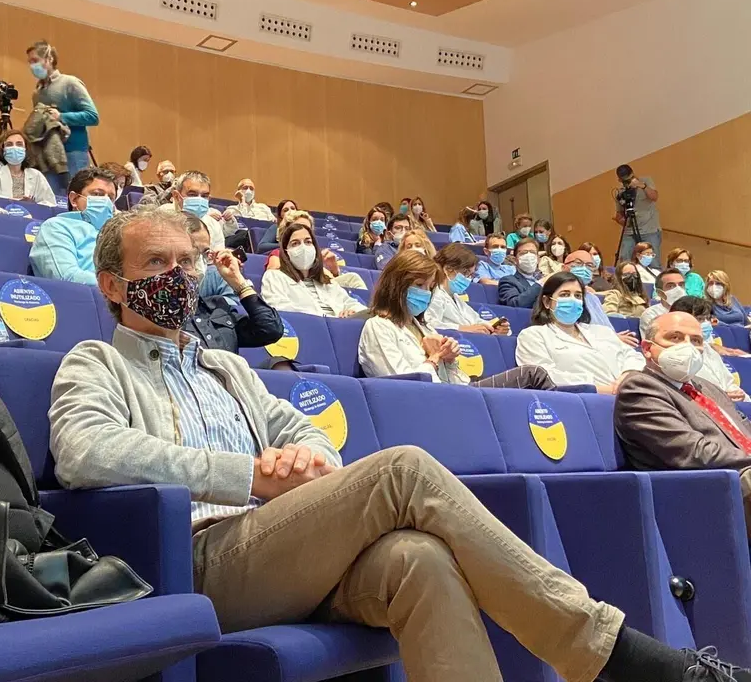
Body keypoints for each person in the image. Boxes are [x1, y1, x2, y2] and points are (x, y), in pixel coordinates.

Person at [48, 205, 746, 682]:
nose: (178, 275)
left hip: (282, 545)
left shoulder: (225, 365)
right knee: (405, 470)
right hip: (196, 559)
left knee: (419, 558)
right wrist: (246, 473)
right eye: (155, 263)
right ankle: (614, 654)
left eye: (186, 261)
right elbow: (86, 451)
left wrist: (310, 458)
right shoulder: (94, 361)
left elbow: (299, 430)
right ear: (112, 284)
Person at [614, 311, 751, 539]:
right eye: (675, 338)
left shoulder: (707, 388)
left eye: (696, 340)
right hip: (697, 491)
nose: (687, 347)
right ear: (647, 348)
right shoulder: (640, 388)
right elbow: (693, 452)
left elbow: (744, 430)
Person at [359, 251, 569, 390]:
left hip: (458, 392)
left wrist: (449, 360)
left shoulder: (423, 327)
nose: (425, 293)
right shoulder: (378, 327)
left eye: (429, 287)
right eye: (419, 285)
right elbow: (401, 385)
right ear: (396, 286)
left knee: (534, 376)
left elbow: (457, 380)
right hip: (429, 402)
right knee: (531, 374)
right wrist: (434, 358)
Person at [515, 272, 645, 393]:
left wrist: (628, 374)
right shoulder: (533, 335)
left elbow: (632, 356)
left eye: (578, 296)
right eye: (564, 294)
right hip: (586, 400)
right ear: (547, 302)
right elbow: (544, 377)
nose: (573, 300)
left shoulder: (602, 331)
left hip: (630, 394)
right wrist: (607, 389)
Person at [184, 213, 283, 353]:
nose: (199, 262)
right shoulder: (157, 314)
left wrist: (237, 281)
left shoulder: (217, 309)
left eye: (204, 253)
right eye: (191, 254)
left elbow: (270, 329)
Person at [29, 167, 117, 285]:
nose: (106, 201)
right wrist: (120, 286)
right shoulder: (56, 227)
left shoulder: (116, 233)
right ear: (74, 199)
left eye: (111, 198)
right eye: (97, 194)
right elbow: (66, 277)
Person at [27, 40, 99, 181]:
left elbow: (93, 116)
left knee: (75, 198)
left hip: (74, 154)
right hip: (47, 156)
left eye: (35, 60)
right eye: (29, 62)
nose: (32, 66)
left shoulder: (69, 83)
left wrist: (62, 116)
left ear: (50, 59)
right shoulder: (37, 93)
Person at [261, 223, 367, 318]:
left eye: (308, 242)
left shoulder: (327, 281)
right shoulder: (274, 276)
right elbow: (279, 309)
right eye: (295, 243)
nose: (303, 247)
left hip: (341, 329)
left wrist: (352, 312)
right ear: (286, 252)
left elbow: (350, 302)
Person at [669, 296, 748, 402]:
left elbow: (728, 382)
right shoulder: (676, 355)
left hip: (735, 406)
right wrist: (723, 397)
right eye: (701, 319)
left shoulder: (707, 348)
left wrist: (740, 395)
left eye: (707, 318)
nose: (706, 323)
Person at [426, 244, 510, 335]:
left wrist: (496, 328)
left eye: (470, 275)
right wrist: (461, 328)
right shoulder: (434, 295)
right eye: (465, 273)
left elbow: (476, 320)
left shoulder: (456, 298)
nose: (467, 278)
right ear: (447, 269)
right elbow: (429, 324)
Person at [0, 130, 57, 206]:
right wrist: (9, 200)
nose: (14, 147)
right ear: (2, 149)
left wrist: (33, 205)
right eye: (9, 144)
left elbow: (50, 203)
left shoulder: (36, 175)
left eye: (19, 144)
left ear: (26, 149)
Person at [160, 170, 227, 251]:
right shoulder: (161, 217)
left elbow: (217, 259)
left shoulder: (214, 225)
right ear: (176, 196)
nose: (199, 199)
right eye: (192, 194)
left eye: (204, 196)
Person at [614, 164, 660, 262]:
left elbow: (654, 197)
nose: (628, 182)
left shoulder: (646, 181)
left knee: (652, 262)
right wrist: (623, 221)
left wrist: (642, 185)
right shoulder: (620, 192)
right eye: (625, 181)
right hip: (629, 232)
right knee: (624, 260)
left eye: (630, 179)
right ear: (620, 180)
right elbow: (619, 214)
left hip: (649, 230)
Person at [639, 268, 687, 338]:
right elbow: (655, 342)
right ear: (659, 293)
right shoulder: (651, 314)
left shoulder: (691, 312)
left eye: (681, 285)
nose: (678, 289)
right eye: (671, 286)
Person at [497, 237, 543, 308]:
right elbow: (515, 304)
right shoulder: (508, 281)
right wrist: (540, 284)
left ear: (538, 259)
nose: (529, 256)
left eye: (532, 252)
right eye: (523, 253)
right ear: (515, 260)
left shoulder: (546, 279)